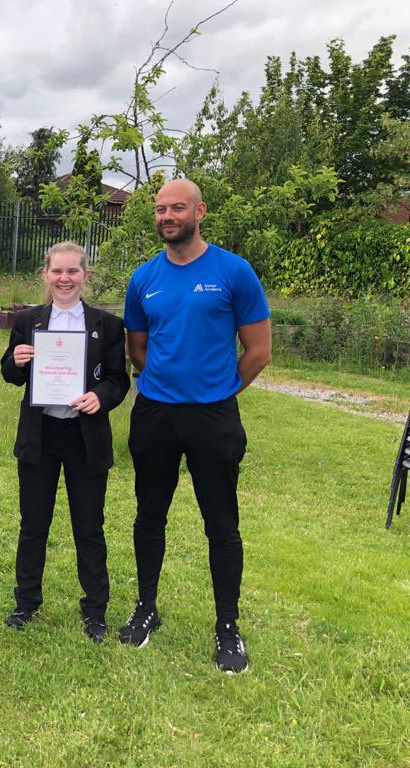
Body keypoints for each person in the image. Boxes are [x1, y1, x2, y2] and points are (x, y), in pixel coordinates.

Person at [119, 178, 271, 673]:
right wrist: (166, 384)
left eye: (177, 208)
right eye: (160, 209)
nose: (167, 216)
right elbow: (137, 349)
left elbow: (258, 351)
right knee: (150, 516)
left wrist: (219, 392)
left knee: (222, 525)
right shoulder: (144, 278)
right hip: (156, 413)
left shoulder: (234, 272)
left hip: (213, 416)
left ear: (200, 211)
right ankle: (146, 608)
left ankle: (228, 626)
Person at [0, 241, 129, 641]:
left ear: (85, 276)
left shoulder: (107, 325)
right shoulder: (30, 322)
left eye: (73, 271)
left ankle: (95, 610)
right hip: (40, 435)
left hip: (84, 435)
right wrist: (16, 361)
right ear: (46, 275)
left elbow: (118, 380)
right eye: (57, 271)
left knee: (89, 526)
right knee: (33, 523)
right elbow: (11, 373)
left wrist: (100, 397)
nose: (65, 278)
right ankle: (26, 603)